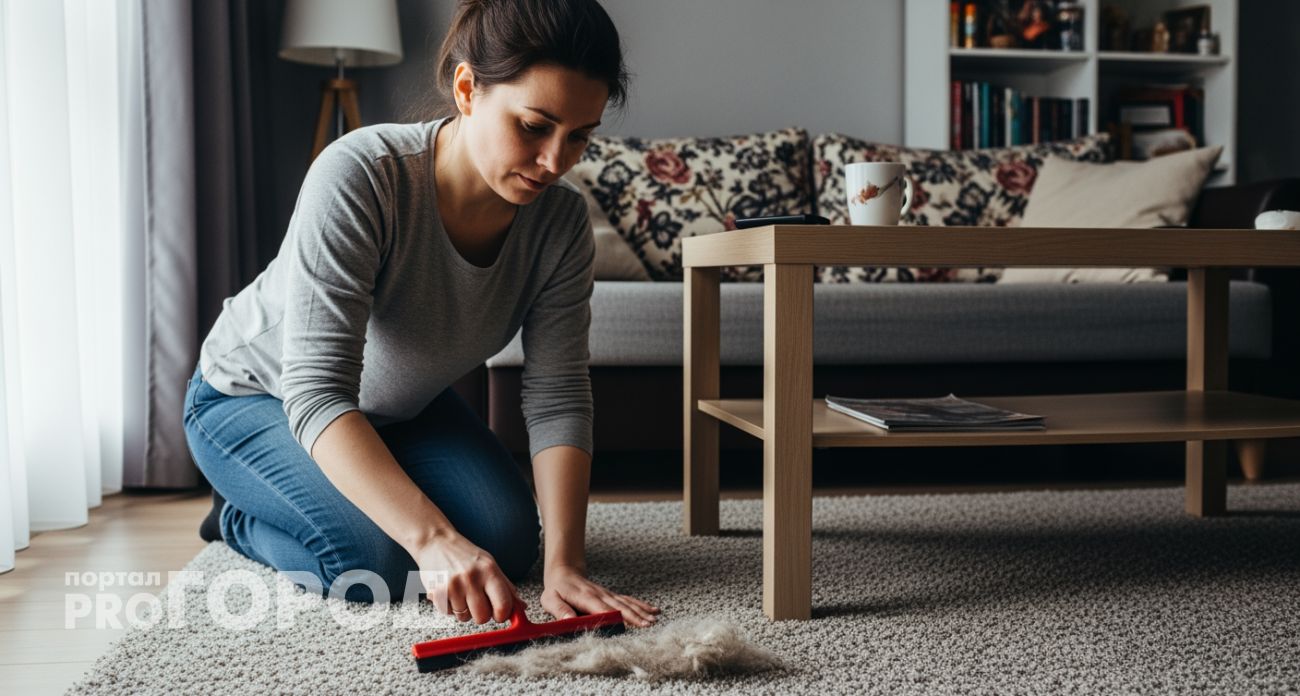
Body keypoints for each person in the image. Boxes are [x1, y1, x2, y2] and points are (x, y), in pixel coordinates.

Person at [182, 0, 660, 629]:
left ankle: (333, 500)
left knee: (513, 548)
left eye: (579, 136)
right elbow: (317, 391)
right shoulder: (361, 175)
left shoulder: (562, 224)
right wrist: (433, 540)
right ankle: (240, 517)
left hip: (397, 409)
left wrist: (563, 567)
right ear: (467, 89)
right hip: (252, 396)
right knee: (373, 563)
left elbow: (559, 396)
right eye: (534, 126)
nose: (555, 161)